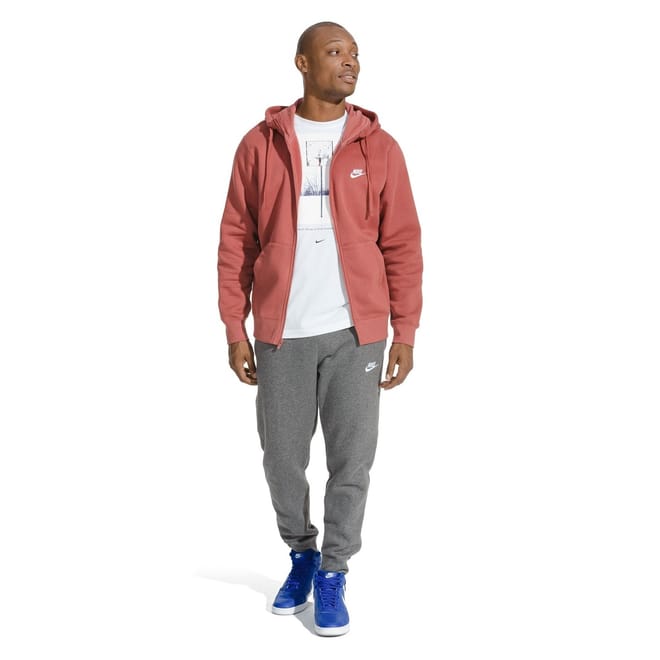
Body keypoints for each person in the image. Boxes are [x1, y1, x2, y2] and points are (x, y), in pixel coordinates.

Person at [217, 21, 423, 636]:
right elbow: (236, 240)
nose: (350, 62)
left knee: (351, 461)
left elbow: (402, 243)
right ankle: (301, 554)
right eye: (335, 52)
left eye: (355, 54)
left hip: (357, 333)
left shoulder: (379, 148)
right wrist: (235, 327)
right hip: (282, 331)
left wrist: (405, 330)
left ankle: (334, 570)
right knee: (282, 458)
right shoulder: (260, 144)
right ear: (302, 62)